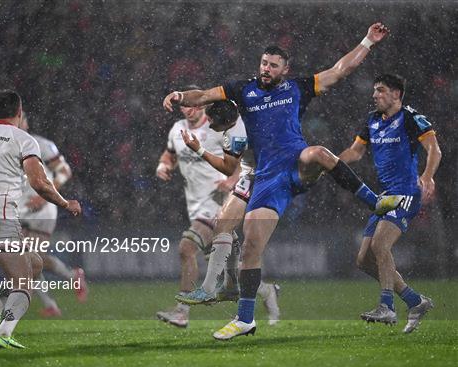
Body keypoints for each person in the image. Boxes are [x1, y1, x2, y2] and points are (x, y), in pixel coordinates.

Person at [162, 23, 402, 340]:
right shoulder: (242, 91)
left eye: (273, 65)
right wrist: (180, 95)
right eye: (264, 63)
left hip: (296, 164)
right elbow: (203, 95)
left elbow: (339, 70)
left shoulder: (297, 88)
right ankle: (244, 317)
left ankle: (375, 202)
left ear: (284, 70)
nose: (266, 69)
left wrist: (368, 41)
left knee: (317, 153)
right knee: (250, 244)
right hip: (267, 177)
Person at [0, 90, 81, 348]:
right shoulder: (23, 139)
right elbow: (39, 182)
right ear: (19, 112)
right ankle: (4, 332)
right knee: (24, 281)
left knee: (33, 263)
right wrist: (66, 203)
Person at [338, 74, 441, 333]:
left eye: (381, 91)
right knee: (363, 260)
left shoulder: (409, 117)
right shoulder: (372, 120)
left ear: (396, 94)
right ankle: (414, 301)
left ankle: (387, 307)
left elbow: (434, 149)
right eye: (374, 90)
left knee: (380, 244)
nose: (375, 95)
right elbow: (355, 152)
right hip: (385, 196)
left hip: (407, 191)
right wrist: (330, 162)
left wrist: (427, 176)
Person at [175, 100, 280, 325]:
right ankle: (230, 286)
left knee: (233, 234)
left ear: (225, 121)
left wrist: (199, 149)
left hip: (262, 176)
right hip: (256, 173)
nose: (210, 125)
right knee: (223, 225)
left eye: (213, 122)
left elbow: (227, 167)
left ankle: (209, 289)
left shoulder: (234, 134)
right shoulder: (240, 110)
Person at [155, 86, 238, 328]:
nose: (189, 109)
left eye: (193, 104)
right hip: (195, 206)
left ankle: (182, 313)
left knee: (186, 247)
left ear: (201, 104)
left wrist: (231, 181)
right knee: (224, 271)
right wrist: (163, 166)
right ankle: (266, 291)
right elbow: (169, 154)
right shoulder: (177, 129)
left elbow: (239, 159)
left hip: (217, 204)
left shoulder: (215, 128)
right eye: (184, 106)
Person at [18, 112, 88, 318]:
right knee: (29, 258)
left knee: (29, 258)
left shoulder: (41, 145)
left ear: (26, 122)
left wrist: (45, 197)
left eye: (21, 118)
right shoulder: (8, 148)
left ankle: (54, 299)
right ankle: (68, 281)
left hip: (43, 209)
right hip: (22, 209)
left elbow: (64, 171)